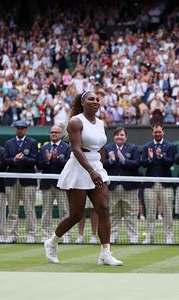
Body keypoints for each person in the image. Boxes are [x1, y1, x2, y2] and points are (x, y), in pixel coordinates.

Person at [44, 91, 123, 266]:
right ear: (83, 102)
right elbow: (76, 149)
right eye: (91, 99)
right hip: (79, 169)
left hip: (96, 167)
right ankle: (51, 243)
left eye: (97, 99)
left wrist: (99, 168)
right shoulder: (75, 122)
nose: (95, 101)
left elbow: (101, 147)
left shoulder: (102, 123)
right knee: (76, 216)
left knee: (103, 209)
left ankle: (105, 254)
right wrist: (91, 171)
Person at [104, 127, 141, 244]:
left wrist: (124, 160)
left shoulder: (133, 148)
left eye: (121, 135)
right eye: (117, 135)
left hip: (129, 188)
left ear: (126, 137)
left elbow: (137, 164)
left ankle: (133, 238)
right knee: (113, 214)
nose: (119, 137)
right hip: (112, 188)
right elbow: (102, 164)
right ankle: (112, 237)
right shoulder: (107, 148)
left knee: (131, 214)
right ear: (114, 137)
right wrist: (110, 161)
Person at [140, 123, 176, 245]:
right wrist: (150, 158)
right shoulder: (147, 147)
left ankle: (169, 237)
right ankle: (149, 237)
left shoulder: (170, 146)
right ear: (152, 133)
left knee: (167, 212)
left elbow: (171, 162)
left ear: (163, 132)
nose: (158, 134)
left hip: (166, 184)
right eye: (156, 132)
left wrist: (160, 156)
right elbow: (143, 163)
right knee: (150, 213)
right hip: (150, 184)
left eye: (159, 132)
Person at [3, 120, 38, 243]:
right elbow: (4, 160)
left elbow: (35, 161)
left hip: (28, 181)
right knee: (12, 210)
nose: (20, 130)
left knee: (29, 210)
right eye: (17, 128)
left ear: (26, 130)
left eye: (22, 128)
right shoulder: (8, 143)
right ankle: (12, 235)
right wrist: (14, 159)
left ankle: (31, 235)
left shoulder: (32, 142)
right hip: (12, 181)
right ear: (15, 129)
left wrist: (23, 158)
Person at [36, 125, 71, 243]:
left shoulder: (67, 148)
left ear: (61, 134)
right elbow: (39, 165)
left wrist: (57, 159)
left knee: (65, 211)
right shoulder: (44, 147)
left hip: (62, 184)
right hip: (47, 184)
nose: (54, 134)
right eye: (52, 132)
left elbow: (69, 165)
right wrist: (47, 160)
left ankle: (65, 236)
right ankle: (46, 235)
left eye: (56, 132)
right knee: (46, 211)